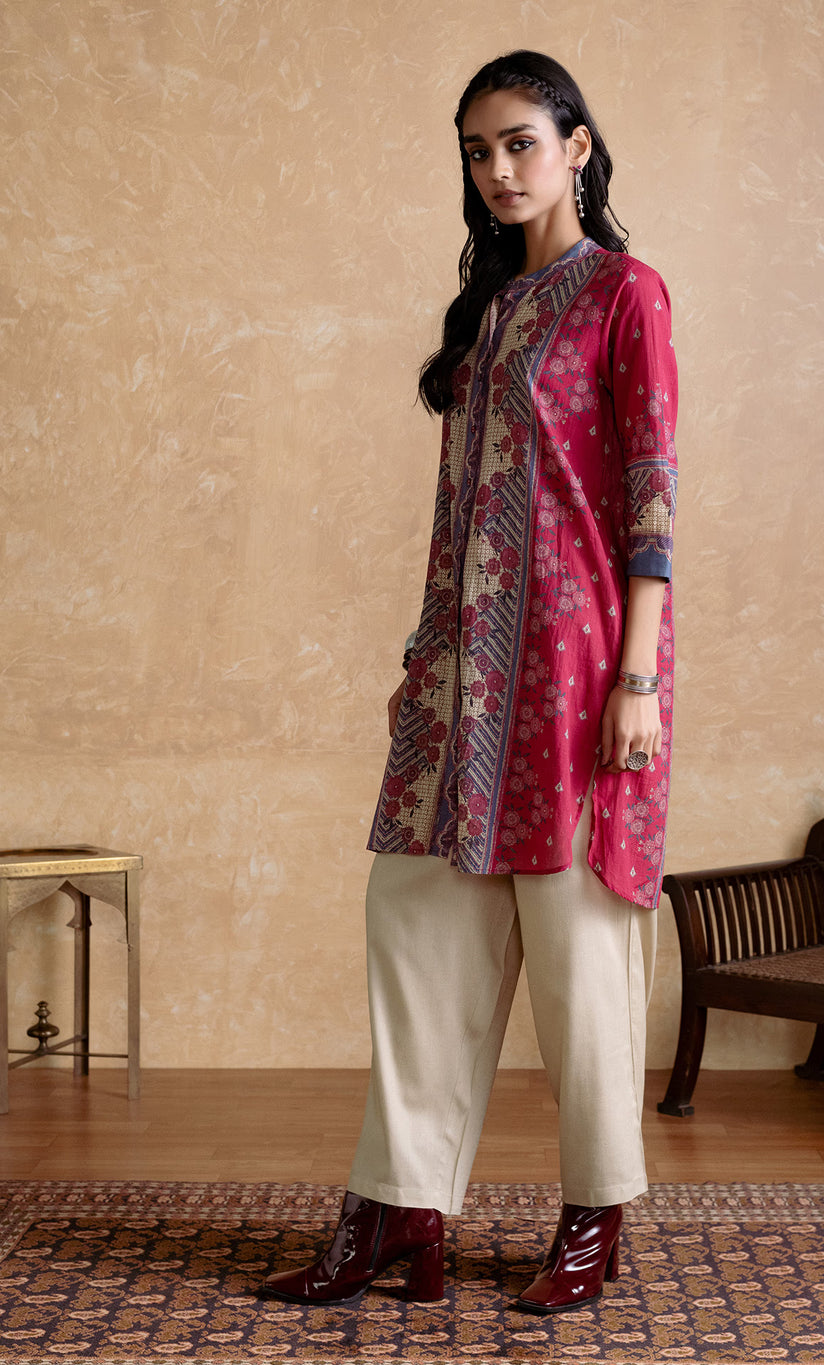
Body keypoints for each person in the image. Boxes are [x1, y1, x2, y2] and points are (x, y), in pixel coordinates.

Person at [262, 49, 677, 1316]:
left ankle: (593, 1216)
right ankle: (401, 1213)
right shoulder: (490, 310)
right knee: (415, 932)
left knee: (578, 950)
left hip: (575, 671)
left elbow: (652, 487)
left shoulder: (626, 293)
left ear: (577, 146)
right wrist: (422, 663)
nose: (498, 170)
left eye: (519, 144)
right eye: (477, 151)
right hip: (459, 683)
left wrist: (638, 678)